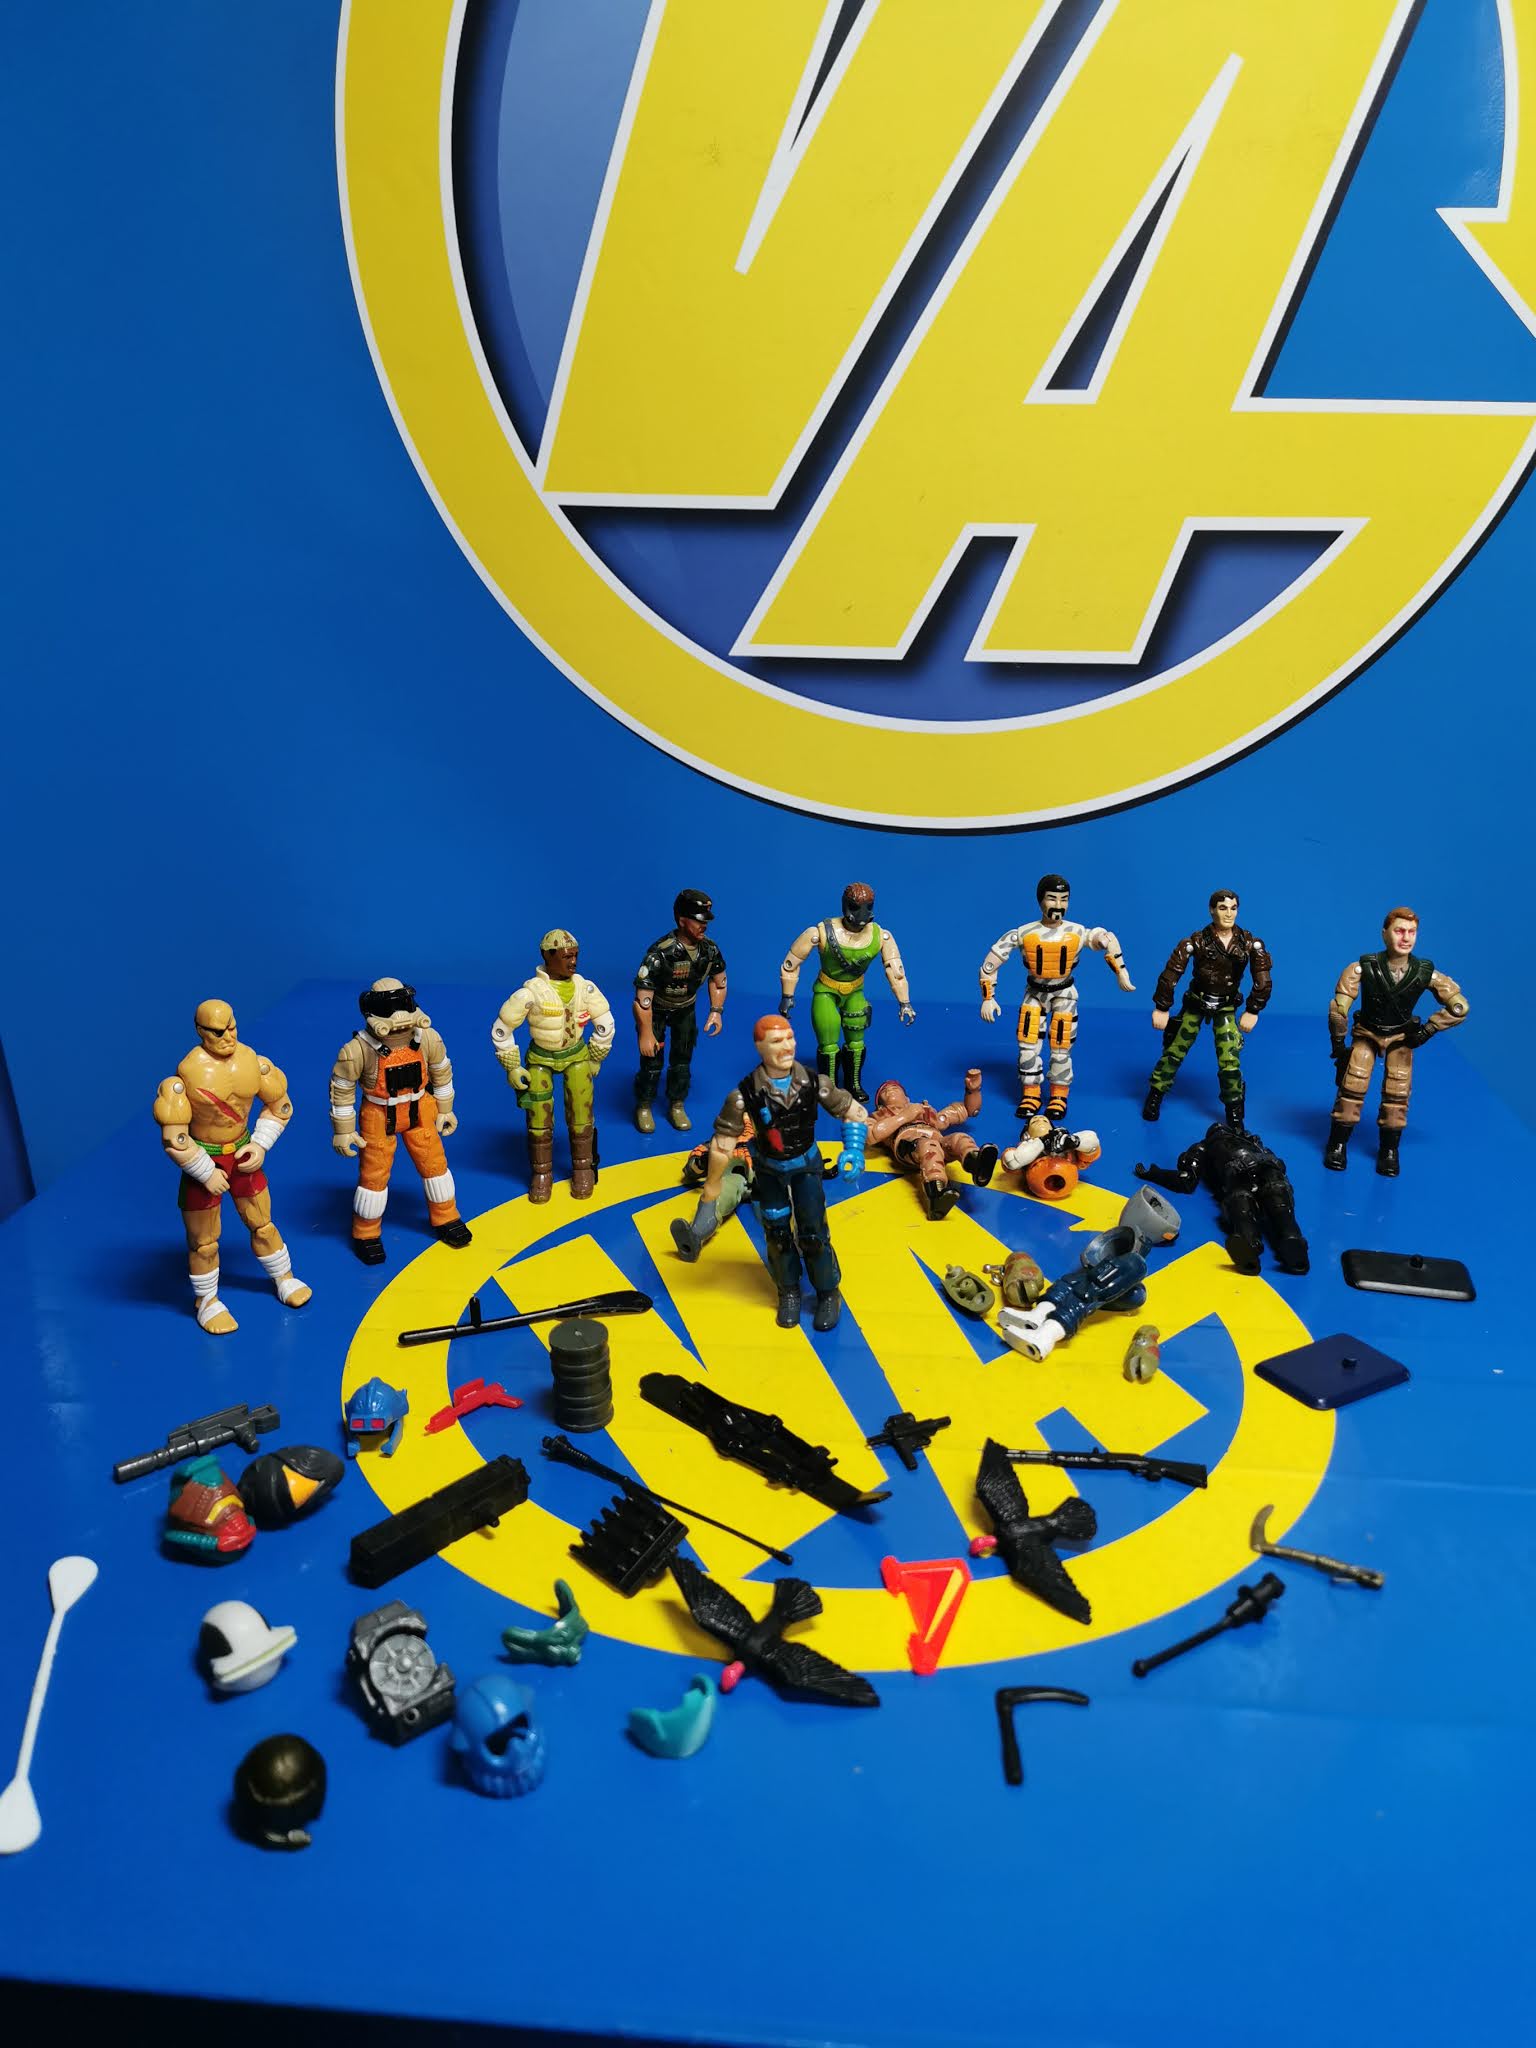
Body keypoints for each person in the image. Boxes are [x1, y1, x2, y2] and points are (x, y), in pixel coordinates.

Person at [687, 1015, 867, 1331]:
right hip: (769, 1171)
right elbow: (722, 1144)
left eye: (789, 1038)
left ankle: (827, 1292)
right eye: (776, 1041)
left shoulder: (815, 1083)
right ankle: (788, 1291)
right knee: (777, 1233)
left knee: (814, 1233)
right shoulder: (744, 1095)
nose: (787, 1047)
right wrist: (712, 1185)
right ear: (760, 1047)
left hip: (806, 1168)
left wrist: (853, 1148)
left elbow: (855, 1112)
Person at [152, 999, 311, 1334]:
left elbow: (280, 1105)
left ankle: (284, 1277)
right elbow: (176, 1138)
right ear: (200, 1031)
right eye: (217, 1031)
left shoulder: (252, 1062)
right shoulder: (185, 1075)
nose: (227, 1037)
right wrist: (205, 1171)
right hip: (204, 1158)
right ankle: (207, 1301)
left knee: (263, 1224)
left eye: (232, 1027)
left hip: (243, 1153)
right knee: (204, 1243)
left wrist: (261, 1143)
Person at [329, 978, 471, 1264]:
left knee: (435, 1166)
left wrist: (445, 1109)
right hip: (379, 1115)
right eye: (390, 1009)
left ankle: (446, 1216)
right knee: (374, 1175)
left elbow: (442, 1071)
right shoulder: (358, 1050)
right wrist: (343, 1130)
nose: (400, 1017)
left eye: (404, 1005)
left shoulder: (427, 1039)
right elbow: (342, 1088)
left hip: (420, 1109)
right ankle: (366, 1232)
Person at [1324, 907, 1468, 1177]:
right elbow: (1339, 1007)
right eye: (1399, 931)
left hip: (1401, 1038)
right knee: (1352, 1086)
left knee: (1397, 1095)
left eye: (1412, 932)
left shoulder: (1425, 972)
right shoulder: (1362, 967)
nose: (1406, 937)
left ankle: (1389, 1150)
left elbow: (1459, 1006)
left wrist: (1428, 1030)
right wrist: (1339, 1042)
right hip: (1367, 1034)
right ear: (1385, 934)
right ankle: (1337, 1143)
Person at [979, 873, 1133, 1119]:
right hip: (1035, 993)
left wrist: (1120, 971)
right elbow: (990, 964)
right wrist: (989, 997)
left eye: (1064, 899)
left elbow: (1107, 938)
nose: (1058, 905)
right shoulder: (1024, 933)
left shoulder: (1077, 932)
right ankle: (1030, 1093)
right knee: (1028, 1044)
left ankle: (1059, 1095)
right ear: (1040, 900)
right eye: (1052, 898)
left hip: (1064, 994)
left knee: (1061, 1046)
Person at [491, 930, 614, 1202]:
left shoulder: (584, 988)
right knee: (538, 1118)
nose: (573, 962)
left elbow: (605, 1022)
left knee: (582, 1114)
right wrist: (512, 1066)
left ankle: (582, 1168)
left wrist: (596, 1056)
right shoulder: (530, 993)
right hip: (540, 1060)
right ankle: (541, 1172)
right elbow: (502, 1028)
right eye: (567, 956)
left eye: (576, 955)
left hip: (577, 1056)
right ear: (548, 956)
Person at [1143, 890, 1271, 1125]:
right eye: (1222, 908)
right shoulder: (1196, 942)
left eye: (1233, 908)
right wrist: (1162, 1006)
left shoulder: (1249, 943)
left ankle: (1234, 1107)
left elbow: (1262, 979)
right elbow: (1171, 974)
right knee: (1174, 1051)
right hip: (1196, 1002)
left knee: (1229, 1060)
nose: (1228, 913)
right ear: (1212, 910)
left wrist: (1253, 1009)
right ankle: (1156, 1093)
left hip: (1226, 1007)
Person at [778, 883, 914, 1102]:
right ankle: (829, 1088)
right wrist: (787, 995)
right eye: (856, 907)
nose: (861, 915)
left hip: (855, 993)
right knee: (828, 1040)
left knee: (856, 1041)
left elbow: (895, 970)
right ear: (846, 906)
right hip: (826, 991)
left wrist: (904, 1002)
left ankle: (853, 1083)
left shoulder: (880, 936)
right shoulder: (821, 932)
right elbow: (792, 962)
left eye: (867, 907)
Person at [632, 888, 727, 1133]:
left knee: (682, 1061)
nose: (704, 925)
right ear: (682, 920)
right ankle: (644, 1105)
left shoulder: (709, 950)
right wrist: (646, 1032)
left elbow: (719, 981)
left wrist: (716, 1011)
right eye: (698, 920)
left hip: (685, 1009)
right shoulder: (660, 953)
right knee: (652, 1062)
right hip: (657, 1010)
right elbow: (643, 1000)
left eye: (705, 920)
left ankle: (677, 1103)